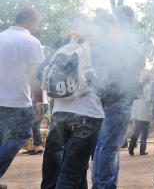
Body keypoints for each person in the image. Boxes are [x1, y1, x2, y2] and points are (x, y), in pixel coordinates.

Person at [40, 14, 104, 189]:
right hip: (87, 115)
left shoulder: (62, 43)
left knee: (77, 169)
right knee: (71, 173)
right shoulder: (96, 46)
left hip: (60, 113)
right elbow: (106, 84)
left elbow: (40, 73)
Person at [91, 8, 144, 189]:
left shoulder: (95, 42)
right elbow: (138, 61)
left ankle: (102, 184)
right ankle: (104, 185)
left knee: (102, 145)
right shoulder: (116, 40)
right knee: (110, 146)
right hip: (119, 97)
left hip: (104, 98)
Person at [0, 8, 44, 188]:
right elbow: (35, 75)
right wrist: (39, 99)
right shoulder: (31, 42)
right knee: (22, 135)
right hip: (18, 101)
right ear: (31, 22)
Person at [128, 79, 152, 156]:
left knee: (136, 132)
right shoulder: (148, 88)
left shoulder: (137, 91)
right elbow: (148, 100)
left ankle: (130, 149)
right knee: (144, 134)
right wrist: (151, 111)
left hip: (137, 114)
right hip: (144, 114)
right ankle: (142, 151)